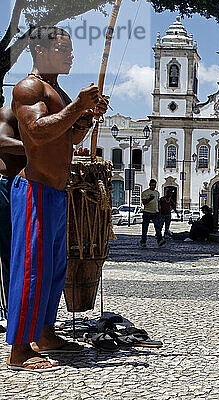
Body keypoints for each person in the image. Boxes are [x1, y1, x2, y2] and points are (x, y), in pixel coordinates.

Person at [7, 26, 108, 372]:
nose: (71, 55)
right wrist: (77, 105)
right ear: (40, 49)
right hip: (35, 189)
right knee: (32, 269)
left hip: (55, 193)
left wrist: (86, 118)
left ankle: (46, 333)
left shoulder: (57, 91)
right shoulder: (28, 88)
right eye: (64, 49)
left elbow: (65, 134)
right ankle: (20, 349)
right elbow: (36, 132)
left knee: (52, 270)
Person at [0, 106, 24, 333]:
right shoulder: (8, 114)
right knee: (7, 252)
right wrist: (38, 148)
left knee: (15, 252)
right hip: (4, 184)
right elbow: (2, 141)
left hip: (18, 186)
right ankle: (5, 310)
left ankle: (14, 309)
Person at [141, 179, 166, 247]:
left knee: (158, 227)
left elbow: (158, 202)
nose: (153, 187)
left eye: (154, 185)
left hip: (155, 212)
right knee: (145, 228)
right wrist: (150, 199)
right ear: (149, 185)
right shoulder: (145, 193)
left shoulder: (157, 193)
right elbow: (144, 203)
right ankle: (143, 241)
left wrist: (159, 210)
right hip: (147, 212)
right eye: (152, 185)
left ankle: (159, 240)